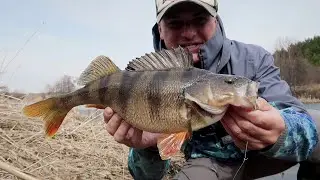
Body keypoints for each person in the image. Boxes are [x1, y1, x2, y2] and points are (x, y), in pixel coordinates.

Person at [103, 0, 319, 179]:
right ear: (160, 29)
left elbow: (297, 114)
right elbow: (145, 177)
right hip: (208, 165)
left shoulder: (254, 59)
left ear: (215, 21)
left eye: (200, 20)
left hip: (268, 158)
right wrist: (148, 149)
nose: (188, 33)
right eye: (175, 23)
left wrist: (283, 131)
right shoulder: (145, 79)